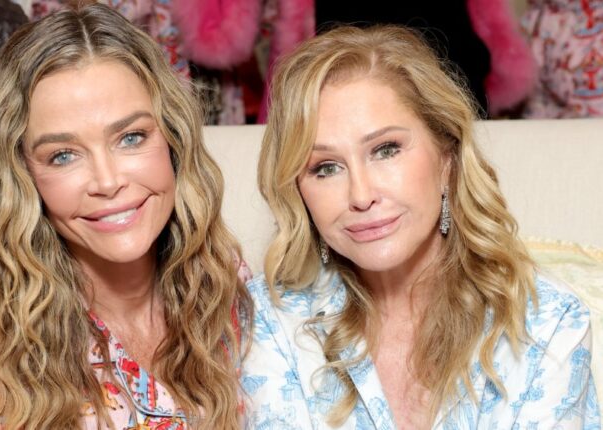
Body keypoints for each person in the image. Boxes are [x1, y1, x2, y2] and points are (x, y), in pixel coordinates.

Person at [242, 25, 600, 428]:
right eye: (326, 168)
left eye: (385, 150)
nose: (361, 195)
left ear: (447, 158)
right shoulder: (269, 321)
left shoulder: (546, 321)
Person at [0, 4, 251, 429]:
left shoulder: (230, 291)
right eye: (63, 155)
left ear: (173, 139)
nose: (107, 181)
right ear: (23, 178)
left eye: (131, 137)